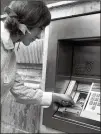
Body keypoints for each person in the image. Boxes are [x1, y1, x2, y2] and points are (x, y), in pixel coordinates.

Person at [1, 1, 74, 109]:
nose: (40, 36)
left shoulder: (10, 50)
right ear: (26, 25)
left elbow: (19, 90)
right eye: (40, 28)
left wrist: (56, 97)